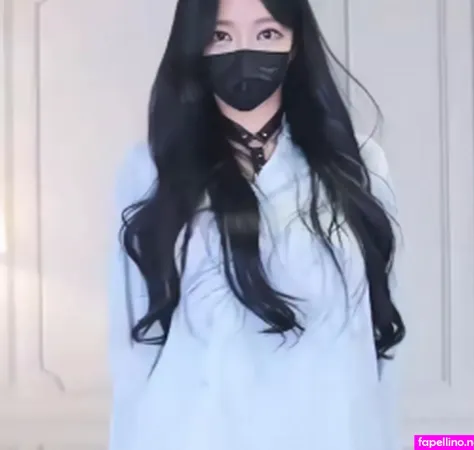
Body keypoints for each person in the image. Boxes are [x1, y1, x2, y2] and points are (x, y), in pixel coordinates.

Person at [107, 0, 406, 449]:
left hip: (327, 430)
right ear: (195, 45)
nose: (243, 51)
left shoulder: (357, 164)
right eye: (221, 35)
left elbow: (380, 331)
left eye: (267, 33)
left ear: (295, 44)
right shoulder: (151, 168)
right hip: (193, 432)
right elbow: (134, 345)